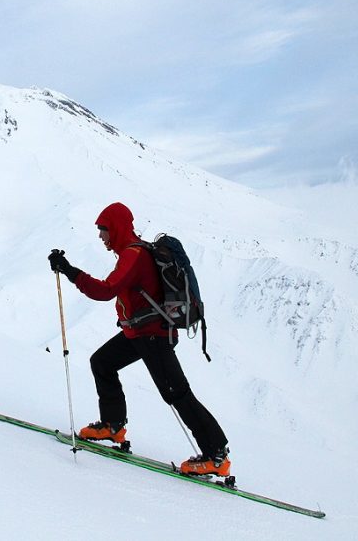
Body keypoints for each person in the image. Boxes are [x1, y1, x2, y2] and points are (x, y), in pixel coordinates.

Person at [48, 201, 230, 476]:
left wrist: (69, 270)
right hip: (139, 333)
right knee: (102, 362)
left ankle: (216, 455)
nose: (100, 236)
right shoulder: (135, 251)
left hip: (153, 336)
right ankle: (112, 425)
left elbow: (105, 290)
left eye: (103, 229)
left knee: (177, 393)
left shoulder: (133, 255)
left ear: (116, 228)